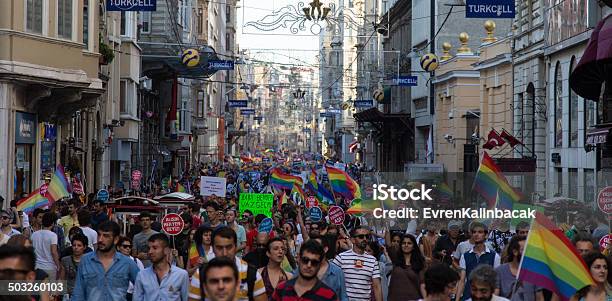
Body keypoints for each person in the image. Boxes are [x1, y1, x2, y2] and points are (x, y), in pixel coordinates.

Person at [188, 227, 268, 301]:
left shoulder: (251, 274)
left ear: (235, 247)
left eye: (229, 247)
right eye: (219, 248)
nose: (225, 253)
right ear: (213, 248)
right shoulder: (200, 274)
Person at [72, 221, 140, 301]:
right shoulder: (86, 261)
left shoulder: (127, 263)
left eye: (106, 236)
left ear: (116, 239)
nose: (100, 239)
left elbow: (143, 288)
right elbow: (78, 293)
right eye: (99, 235)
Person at [272, 240, 339, 301]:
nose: (309, 265)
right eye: (305, 260)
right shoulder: (281, 289)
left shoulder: (329, 295)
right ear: (298, 259)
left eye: (314, 262)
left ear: (319, 264)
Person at [331, 226, 383, 301]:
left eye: (367, 236)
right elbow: (331, 279)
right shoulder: (341, 258)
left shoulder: (373, 260)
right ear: (352, 240)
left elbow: (377, 286)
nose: (365, 239)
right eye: (361, 236)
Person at [133, 233, 189, 301]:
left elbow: (186, 298)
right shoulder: (142, 275)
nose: (150, 252)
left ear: (166, 250)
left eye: (155, 248)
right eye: (149, 248)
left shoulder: (181, 275)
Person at [456, 222, 501, 301]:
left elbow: (497, 281)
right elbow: (462, 280)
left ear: (486, 235)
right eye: (474, 232)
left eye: (480, 232)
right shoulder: (465, 256)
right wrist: (457, 299)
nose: (476, 234)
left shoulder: (494, 256)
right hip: (468, 296)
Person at [495, 236, 542, 301]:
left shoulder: (535, 272)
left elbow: (540, 298)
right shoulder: (499, 271)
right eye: (525, 250)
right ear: (515, 252)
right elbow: (495, 297)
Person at [388, 234, 427, 301]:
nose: (406, 245)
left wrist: (426, 299)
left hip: (414, 298)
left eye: (409, 243)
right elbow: (388, 244)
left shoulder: (419, 263)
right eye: (403, 243)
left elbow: (422, 284)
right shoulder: (395, 258)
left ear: (414, 246)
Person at [31, 211, 62, 281]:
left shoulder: (34, 234)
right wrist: (58, 265)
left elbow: (31, 250)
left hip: (36, 267)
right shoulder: (53, 235)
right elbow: (54, 252)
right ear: (53, 223)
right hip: (50, 267)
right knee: (49, 290)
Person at [117, 236, 145, 300]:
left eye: (130, 246)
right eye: (125, 246)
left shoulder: (136, 261)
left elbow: (143, 278)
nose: (128, 248)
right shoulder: (113, 261)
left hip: (133, 294)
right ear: (118, 247)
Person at [60, 233, 88, 300]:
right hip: (69, 295)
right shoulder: (65, 260)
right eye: (74, 245)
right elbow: (61, 278)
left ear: (84, 247)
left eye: (79, 245)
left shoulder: (89, 261)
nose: (76, 247)